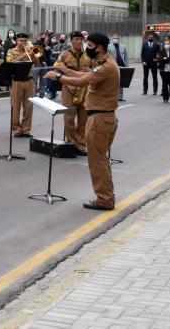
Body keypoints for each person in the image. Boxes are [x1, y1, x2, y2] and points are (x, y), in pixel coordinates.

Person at [46, 33, 120, 211]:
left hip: (99, 119)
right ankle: (107, 196)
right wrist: (65, 70)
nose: (87, 47)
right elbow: (83, 75)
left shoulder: (105, 67)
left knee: (97, 162)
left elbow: (80, 82)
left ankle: (105, 199)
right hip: (103, 118)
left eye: (90, 45)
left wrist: (58, 77)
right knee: (101, 160)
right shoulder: (104, 63)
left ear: (99, 47)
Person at [58, 31, 90, 156]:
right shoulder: (64, 54)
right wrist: (67, 84)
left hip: (84, 88)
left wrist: (91, 70)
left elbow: (94, 70)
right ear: (71, 40)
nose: (79, 41)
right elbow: (57, 71)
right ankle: (71, 143)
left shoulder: (87, 55)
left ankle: (81, 144)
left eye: (80, 39)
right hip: (69, 88)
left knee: (84, 118)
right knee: (69, 117)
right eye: (76, 39)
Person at [6, 33, 36, 138]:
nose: (23, 43)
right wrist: (23, 56)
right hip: (17, 81)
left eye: (25, 41)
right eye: (21, 41)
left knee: (29, 106)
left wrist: (33, 53)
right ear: (17, 41)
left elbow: (37, 63)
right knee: (16, 106)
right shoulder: (11, 51)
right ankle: (16, 129)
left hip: (29, 80)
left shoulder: (30, 50)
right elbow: (9, 64)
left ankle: (26, 129)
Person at [107, 33, 127, 102]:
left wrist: (127, 65)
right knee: (112, 81)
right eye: (114, 38)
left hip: (121, 65)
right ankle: (113, 96)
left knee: (121, 82)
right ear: (112, 39)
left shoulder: (123, 46)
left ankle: (120, 97)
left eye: (117, 38)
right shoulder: (108, 46)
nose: (116, 39)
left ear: (119, 39)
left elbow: (126, 56)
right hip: (113, 66)